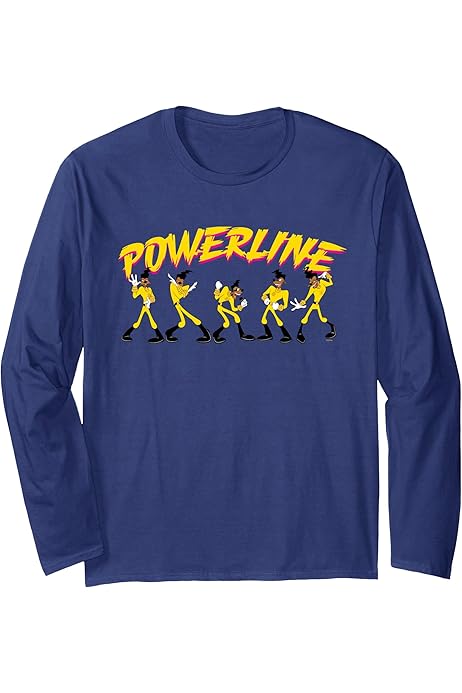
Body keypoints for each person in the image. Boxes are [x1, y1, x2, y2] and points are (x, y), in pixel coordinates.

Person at [290, 268, 336, 343]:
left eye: (315, 280)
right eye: (312, 281)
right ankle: (299, 333)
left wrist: (329, 277)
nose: (315, 282)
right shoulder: (312, 289)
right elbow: (306, 298)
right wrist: (301, 303)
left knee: (322, 319)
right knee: (305, 318)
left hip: (317, 305)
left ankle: (332, 327)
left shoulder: (322, 282)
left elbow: (331, 283)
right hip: (314, 304)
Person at [165, 270, 211, 343]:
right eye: (178, 281)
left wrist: (185, 290)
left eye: (181, 282)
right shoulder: (172, 285)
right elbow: (179, 295)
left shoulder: (179, 286)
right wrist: (183, 291)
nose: (179, 283)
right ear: (176, 279)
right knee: (193, 318)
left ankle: (169, 332)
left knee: (183, 323)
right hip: (177, 304)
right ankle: (206, 334)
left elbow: (183, 292)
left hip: (179, 304)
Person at [121, 269, 164, 343]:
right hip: (145, 306)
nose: (144, 282)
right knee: (145, 321)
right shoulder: (141, 289)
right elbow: (134, 296)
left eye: (145, 280)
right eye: (143, 280)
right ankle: (159, 336)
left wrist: (149, 301)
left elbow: (153, 298)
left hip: (146, 306)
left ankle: (126, 334)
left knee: (146, 321)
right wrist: (134, 286)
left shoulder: (149, 289)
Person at [258, 269, 292, 342]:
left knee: (277, 320)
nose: (278, 283)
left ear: (283, 282)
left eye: (281, 281)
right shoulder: (271, 288)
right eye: (277, 281)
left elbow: (285, 305)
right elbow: (264, 294)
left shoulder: (284, 292)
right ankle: (268, 335)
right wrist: (265, 298)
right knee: (263, 319)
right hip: (269, 305)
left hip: (274, 306)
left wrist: (280, 307)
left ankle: (286, 335)